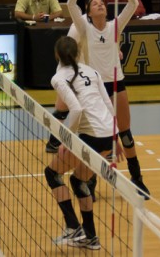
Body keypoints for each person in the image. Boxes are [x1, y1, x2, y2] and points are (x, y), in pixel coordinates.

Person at [46, 0, 150, 200]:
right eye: (94, 3)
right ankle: (88, 181)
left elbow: (132, 5)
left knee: (125, 135)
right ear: (88, 12)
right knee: (93, 138)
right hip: (93, 88)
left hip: (116, 84)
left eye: (101, 2)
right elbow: (71, 4)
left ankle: (138, 179)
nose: (100, 4)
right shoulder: (83, 27)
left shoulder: (115, 25)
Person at [45, 35, 120, 250]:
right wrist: (115, 136)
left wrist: (69, 139)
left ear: (57, 55)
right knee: (78, 182)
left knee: (52, 174)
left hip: (91, 136)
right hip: (107, 134)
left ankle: (72, 226)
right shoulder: (91, 70)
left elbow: (76, 109)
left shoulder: (59, 78)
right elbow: (108, 102)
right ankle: (90, 237)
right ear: (77, 53)